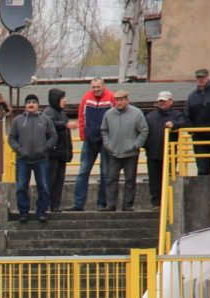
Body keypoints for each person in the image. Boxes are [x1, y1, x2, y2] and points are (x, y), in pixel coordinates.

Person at [8, 93, 57, 223]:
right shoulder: (17, 120)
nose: (31, 104)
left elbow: (53, 137)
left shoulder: (45, 119)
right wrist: (20, 150)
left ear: (38, 104)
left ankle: (42, 212)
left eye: (34, 102)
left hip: (41, 159)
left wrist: (44, 149)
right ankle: (23, 213)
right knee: (21, 187)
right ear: (25, 105)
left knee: (44, 187)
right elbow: (11, 138)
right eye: (28, 102)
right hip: (23, 159)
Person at [69, 78, 115, 211]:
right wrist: (83, 136)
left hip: (105, 141)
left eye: (98, 87)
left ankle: (102, 203)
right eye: (93, 87)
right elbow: (81, 117)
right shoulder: (86, 98)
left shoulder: (111, 97)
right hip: (89, 141)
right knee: (83, 172)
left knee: (105, 173)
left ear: (103, 86)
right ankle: (78, 204)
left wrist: (110, 139)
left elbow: (114, 118)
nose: (95, 89)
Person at [100, 90, 148, 211]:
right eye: (117, 100)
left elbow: (144, 130)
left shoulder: (137, 113)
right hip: (113, 152)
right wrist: (108, 145)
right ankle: (111, 205)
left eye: (121, 100)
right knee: (111, 179)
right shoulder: (108, 114)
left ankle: (127, 205)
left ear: (127, 100)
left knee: (130, 179)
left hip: (131, 153)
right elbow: (104, 130)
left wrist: (136, 145)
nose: (119, 102)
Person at [144, 91, 186, 207]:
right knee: (154, 180)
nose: (161, 103)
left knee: (168, 179)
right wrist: (146, 146)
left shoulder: (177, 115)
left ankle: (167, 202)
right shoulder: (150, 116)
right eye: (160, 101)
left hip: (170, 154)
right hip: (152, 154)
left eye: (164, 101)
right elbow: (143, 131)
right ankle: (156, 202)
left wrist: (174, 124)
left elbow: (184, 123)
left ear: (171, 101)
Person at [43, 88, 75, 212]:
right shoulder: (49, 112)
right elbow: (49, 124)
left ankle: (55, 205)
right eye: (62, 98)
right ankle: (45, 205)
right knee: (50, 180)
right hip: (52, 154)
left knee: (59, 181)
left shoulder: (62, 113)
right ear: (56, 99)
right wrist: (65, 125)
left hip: (61, 154)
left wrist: (69, 152)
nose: (65, 101)